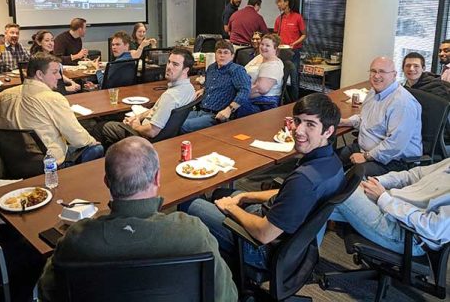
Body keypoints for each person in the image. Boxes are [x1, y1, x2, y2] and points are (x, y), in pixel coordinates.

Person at [38, 137, 238, 302]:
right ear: (157, 178)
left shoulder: (76, 240)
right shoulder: (193, 233)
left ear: (107, 181)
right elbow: (227, 296)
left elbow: (47, 292)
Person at [188, 93, 345, 270]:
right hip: (295, 246)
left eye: (310, 124)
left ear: (328, 131)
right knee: (222, 193)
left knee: (193, 205)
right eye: (297, 121)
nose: (298, 130)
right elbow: (289, 195)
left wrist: (230, 208)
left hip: (264, 250)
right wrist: (245, 196)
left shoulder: (304, 180)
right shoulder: (333, 163)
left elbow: (264, 234)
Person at [0, 52, 103, 166]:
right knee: (96, 148)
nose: (59, 76)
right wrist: (92, 141)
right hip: (48, 165)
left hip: (11, 162)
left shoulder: (4, 95)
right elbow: (77, 139)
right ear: (40, 75)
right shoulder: (53, 98)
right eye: (55, 72)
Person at [329, 158, 450, 255]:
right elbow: (412, 175)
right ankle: (310, 257)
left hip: (407, 235)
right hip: (392, 207)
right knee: (331, 195)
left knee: (339, 189)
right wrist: (376, 182)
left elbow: (432, 228)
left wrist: (383, 199)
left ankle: (310, 257)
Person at [339, 56, 422, 177]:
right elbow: (365, 118)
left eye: (382, 72)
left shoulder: (402, 103)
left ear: (394, 75)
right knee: (329, 161)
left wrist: (366, 156)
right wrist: (345, 122)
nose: (376, 76)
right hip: (364, 149)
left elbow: (394, 145)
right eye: (373, 71)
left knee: (348, 179)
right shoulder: (374, 91)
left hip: (393, 160)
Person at [95, 48, 196, 145]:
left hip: (144, 139)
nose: (169, 66)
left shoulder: (170, 97)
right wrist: (138, 117)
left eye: (175, 64)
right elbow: (157, 110)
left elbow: (152, 131)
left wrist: (136, 126)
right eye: (169, 62)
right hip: (162, 138)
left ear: (185, 70)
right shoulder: (190, 89)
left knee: (99, 127)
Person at [181, 40, 251, 133]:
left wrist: (229, 110)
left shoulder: (237, 70)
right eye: (219, 52)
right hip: (200, 110)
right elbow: (209, 85)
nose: (222, 55)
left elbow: (245, 91)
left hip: (216, 115)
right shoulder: (211, 68)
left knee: (182, 126)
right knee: (171, 121)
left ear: (232, 56)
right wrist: (203, 90)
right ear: (215, 54)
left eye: (226, 52)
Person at [237, 33, 284, 117]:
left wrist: (239, 95)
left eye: (267, 45)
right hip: (247, 92)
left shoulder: (273, 65)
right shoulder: (260, 57)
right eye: (262, 44)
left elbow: (260, 90)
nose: (263, 47)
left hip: (262, 102)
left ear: (275, 49)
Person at [274, 0, 306, 96]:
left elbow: (304, 35)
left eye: (281, 1)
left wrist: (294, 43)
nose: (279, 4)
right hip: (281, 52)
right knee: (280, 79)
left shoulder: (297, 17)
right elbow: (275, 35)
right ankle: (282, 101)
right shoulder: (279, 19)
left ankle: (295, 102)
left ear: (287, 3)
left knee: (294, 80)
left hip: (294, 52)